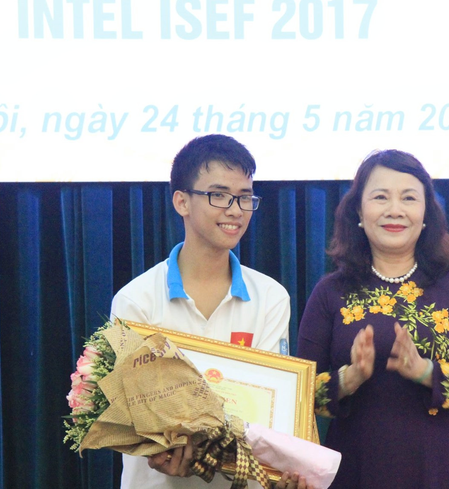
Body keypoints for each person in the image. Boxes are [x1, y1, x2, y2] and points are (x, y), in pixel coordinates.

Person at [110, 134, 310, 489]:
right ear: (182, 202)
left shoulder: (270, 297)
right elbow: (133, 415)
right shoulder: (136, 301)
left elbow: (266, 414)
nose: (235, 210)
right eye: (219, 195)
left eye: (245, 197)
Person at [297, 149, 449, 488]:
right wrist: (350, 378)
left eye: (409, 197)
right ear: (358, 212)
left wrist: (424, 372)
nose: (395, 210)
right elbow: (297, 395)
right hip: (354, 467)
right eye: (380, 197)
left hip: (436, 466)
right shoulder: (330, 291)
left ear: (425, 215)